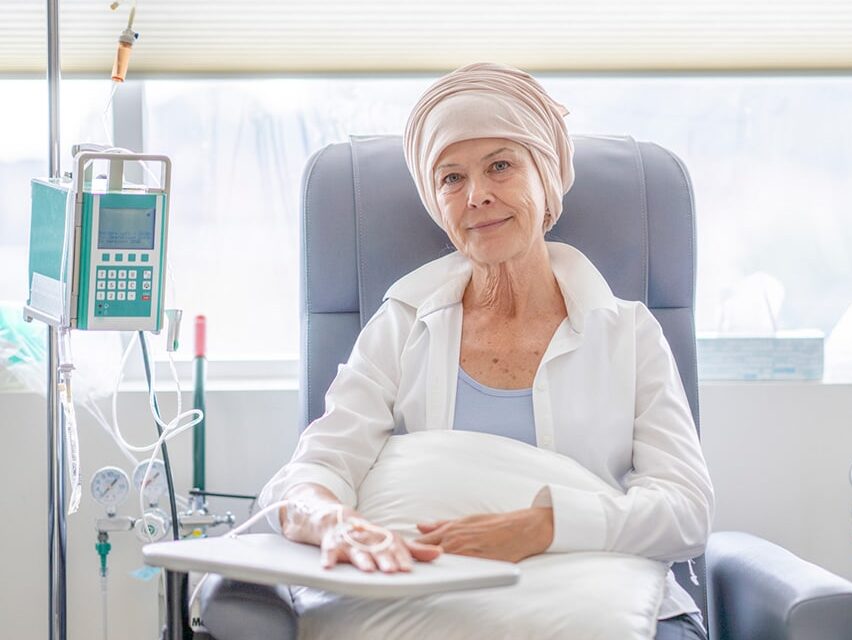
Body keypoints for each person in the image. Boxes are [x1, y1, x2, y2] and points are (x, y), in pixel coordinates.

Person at [260, 62, 714, 639]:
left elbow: (686, 511)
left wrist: (542, 528)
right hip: (440, 603)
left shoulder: (629, 334)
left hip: (595, 599)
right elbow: (313, 469)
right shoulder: (402, 323)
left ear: (546, 180)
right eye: (451, 178)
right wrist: (327, 519)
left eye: (501, 165)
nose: (477, 196)